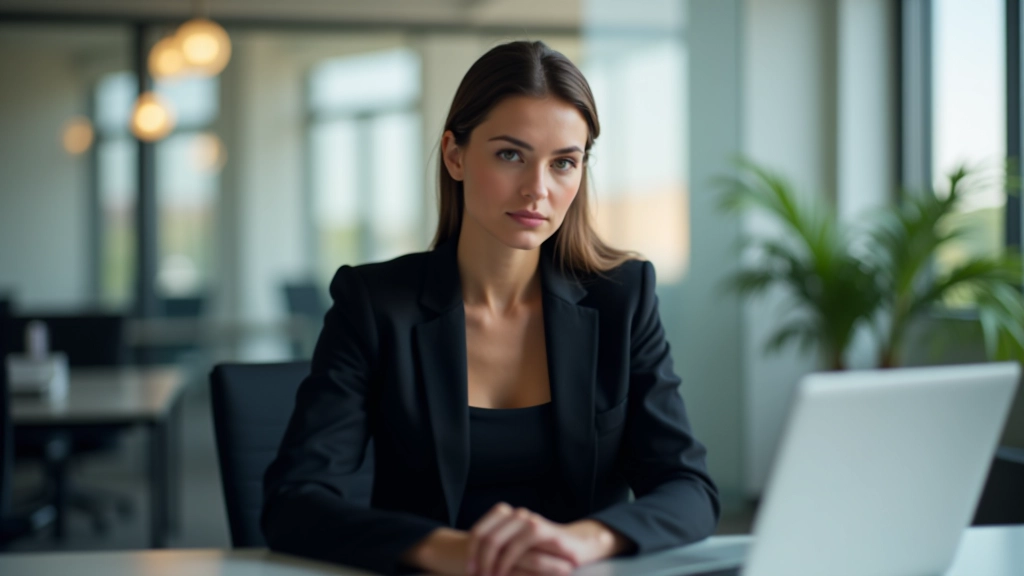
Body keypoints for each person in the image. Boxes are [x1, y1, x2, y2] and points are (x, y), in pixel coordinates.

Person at [262, 40, 719, 576]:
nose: (537, 190)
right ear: (455, 155)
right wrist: (453, 550)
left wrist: (582, 542)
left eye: (564, 163)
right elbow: (294, 502)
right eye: (510, 155)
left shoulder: (622, 297)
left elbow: (689, 488)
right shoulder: (375, 305)